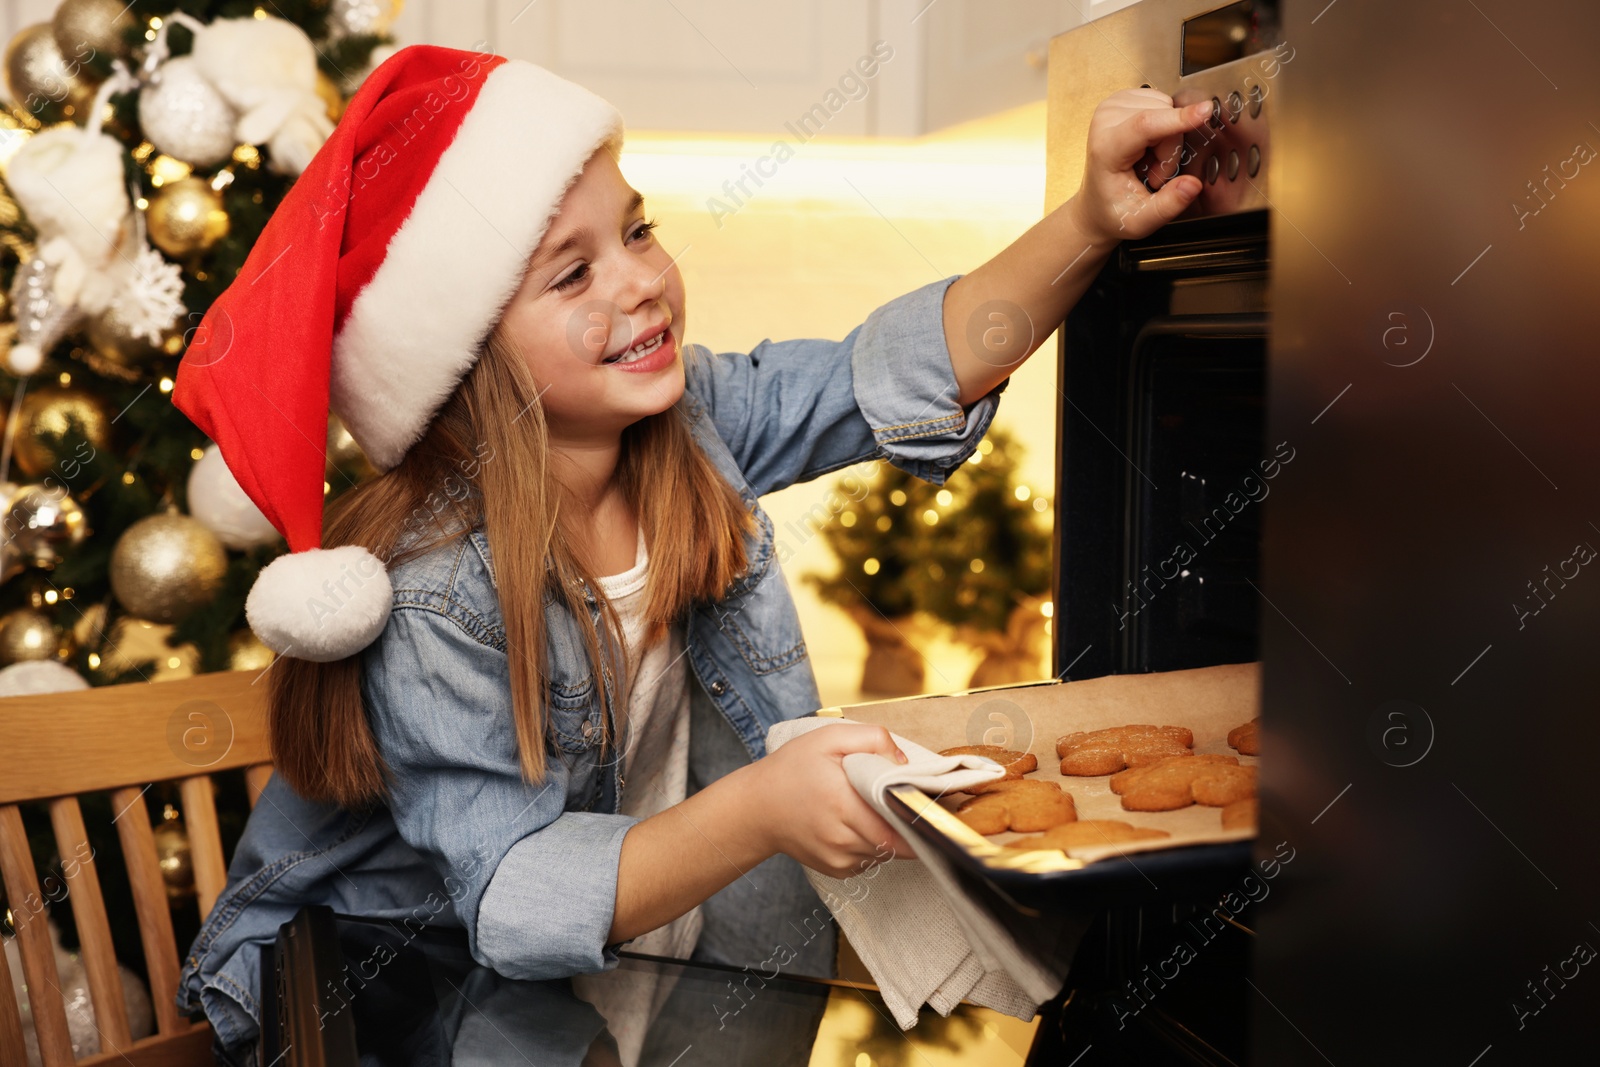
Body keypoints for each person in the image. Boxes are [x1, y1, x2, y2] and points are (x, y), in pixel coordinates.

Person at [170, 42, 1210, 1066]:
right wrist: (762, 805)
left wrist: (1088, 221)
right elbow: (512, 894)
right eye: (574, 272)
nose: (640, 283)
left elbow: (890, 371)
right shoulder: (437, 591)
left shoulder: (691, 424)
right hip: (399, 998)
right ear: (467, 355)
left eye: (637, 231)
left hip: (649, 937)